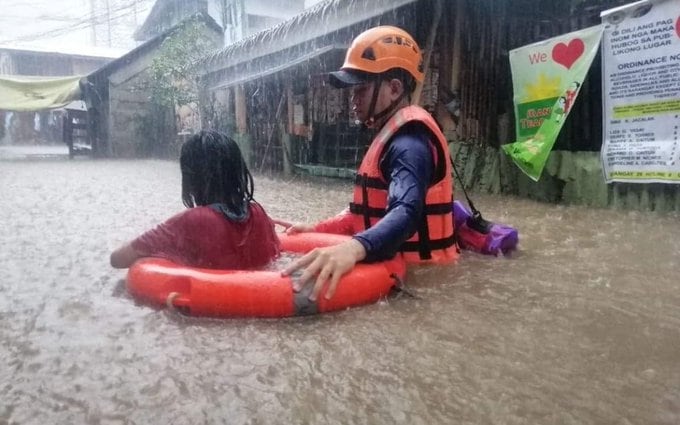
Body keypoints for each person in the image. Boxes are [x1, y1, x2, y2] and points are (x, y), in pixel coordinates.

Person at [281, 26, 457, 301]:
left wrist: (353, 249)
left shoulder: (409, 145)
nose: (353, 101)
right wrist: (317, 228)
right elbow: (366, 214)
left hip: (424, 284)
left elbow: (406, 212)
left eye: (361, 90)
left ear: (395, 88)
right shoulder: (391, 136)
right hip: (402, 271)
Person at [110, 130, 280, 270]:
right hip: (259, 297)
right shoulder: (258, 214)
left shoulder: (195, 220)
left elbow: (117, 259)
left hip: (211, 306)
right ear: (238, 171)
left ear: (191, 178)